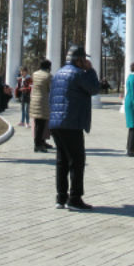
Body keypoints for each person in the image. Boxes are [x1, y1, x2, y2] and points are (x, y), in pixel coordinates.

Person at [49, 45, 100, 211]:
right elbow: (94, 89)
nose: (86, 62)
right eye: (84, 59)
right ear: (78, 60)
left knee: (62, 161)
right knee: (77, 162)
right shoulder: (78, 74)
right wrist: (91, 71)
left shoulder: (58, 73)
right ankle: (75, 198)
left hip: (56, 123)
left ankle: (60, 197)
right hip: (71, 122)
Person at [29, 59, 53, 153]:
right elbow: (51, 89)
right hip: (43, 101)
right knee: (42, 124)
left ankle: (41, 142)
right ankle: (38, 144)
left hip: (34, 100)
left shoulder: (35, 74)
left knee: (38, 124)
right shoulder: (48, 76)